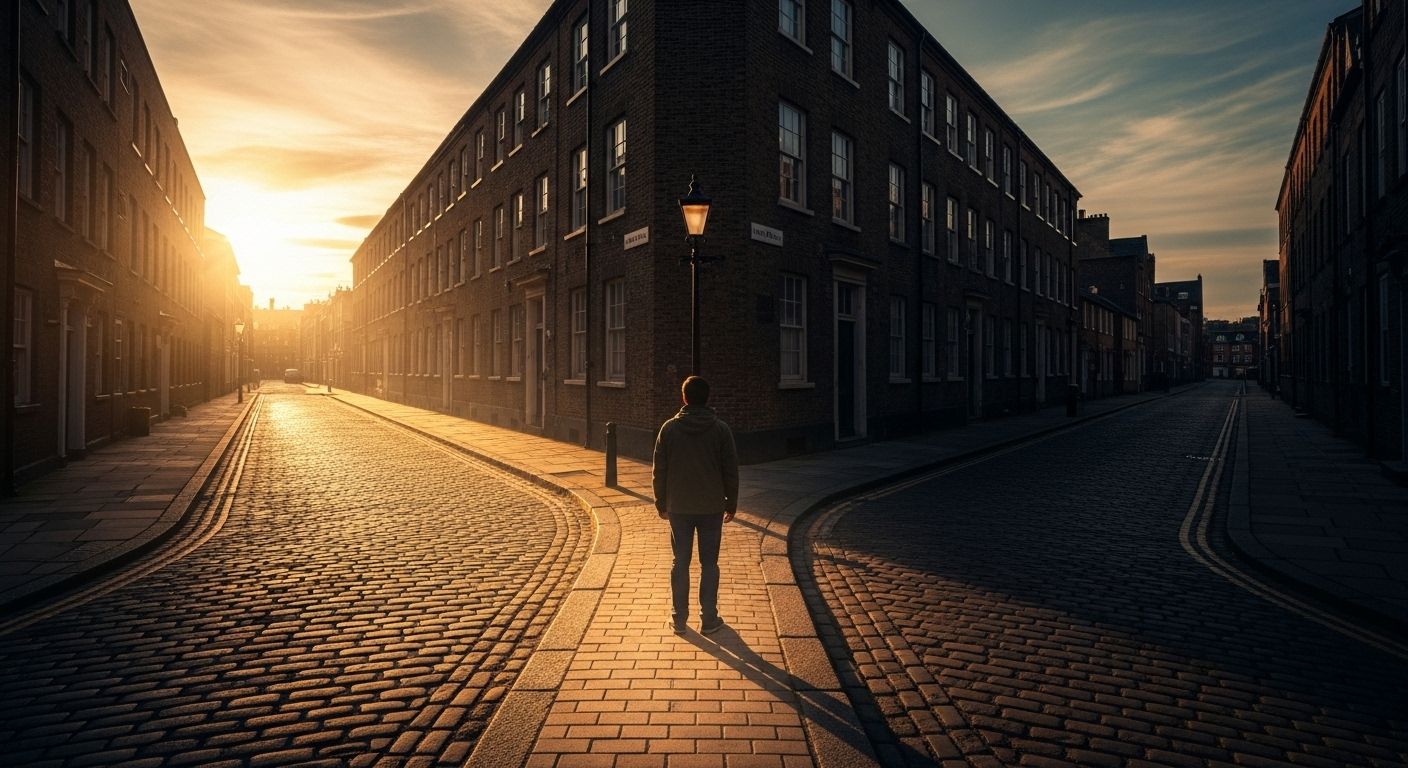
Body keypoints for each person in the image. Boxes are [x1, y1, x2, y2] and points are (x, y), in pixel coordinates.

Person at [652, 376, 739, 635]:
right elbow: (730, 470)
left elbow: (659, 470)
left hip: (679, 506)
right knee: (709, 564)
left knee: (680, 562)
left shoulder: (669, 429)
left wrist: (660, 502)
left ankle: (679, 619)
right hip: (711, 507)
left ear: (684, 398)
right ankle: (709, 619)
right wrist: (731, 503)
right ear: (707, 398)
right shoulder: (721, 429)